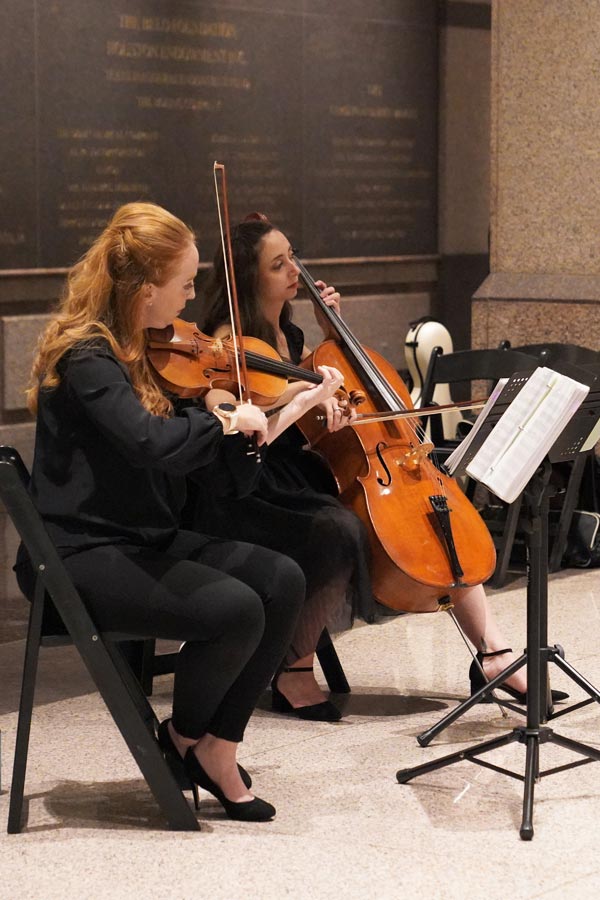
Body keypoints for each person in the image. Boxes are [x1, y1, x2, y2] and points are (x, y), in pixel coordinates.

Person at [15, 201, 346, 823]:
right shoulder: (89, 357)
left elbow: (215, 470)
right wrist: (225, 420)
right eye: (186, 284)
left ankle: (218, 743)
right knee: (235, 607)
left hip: (144, 536)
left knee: (281, 579)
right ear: (144, 290)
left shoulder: (148, 352)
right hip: (78, 556)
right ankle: (187, 738)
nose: (195, 301)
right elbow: (149, 442)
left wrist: (276, 419)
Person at [192, 216, 568, 715]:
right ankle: (293, 668)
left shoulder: (291, 332)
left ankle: (493, 652)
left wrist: (333, 336)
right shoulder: (229, 343)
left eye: (293, 258)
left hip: (311, 469)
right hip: (259, 483)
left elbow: (335, 390)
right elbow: (247, 421)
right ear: (248, 278)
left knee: (437, 515)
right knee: (337, 528)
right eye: (278, 264)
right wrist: (305, 399)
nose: (293, 272)